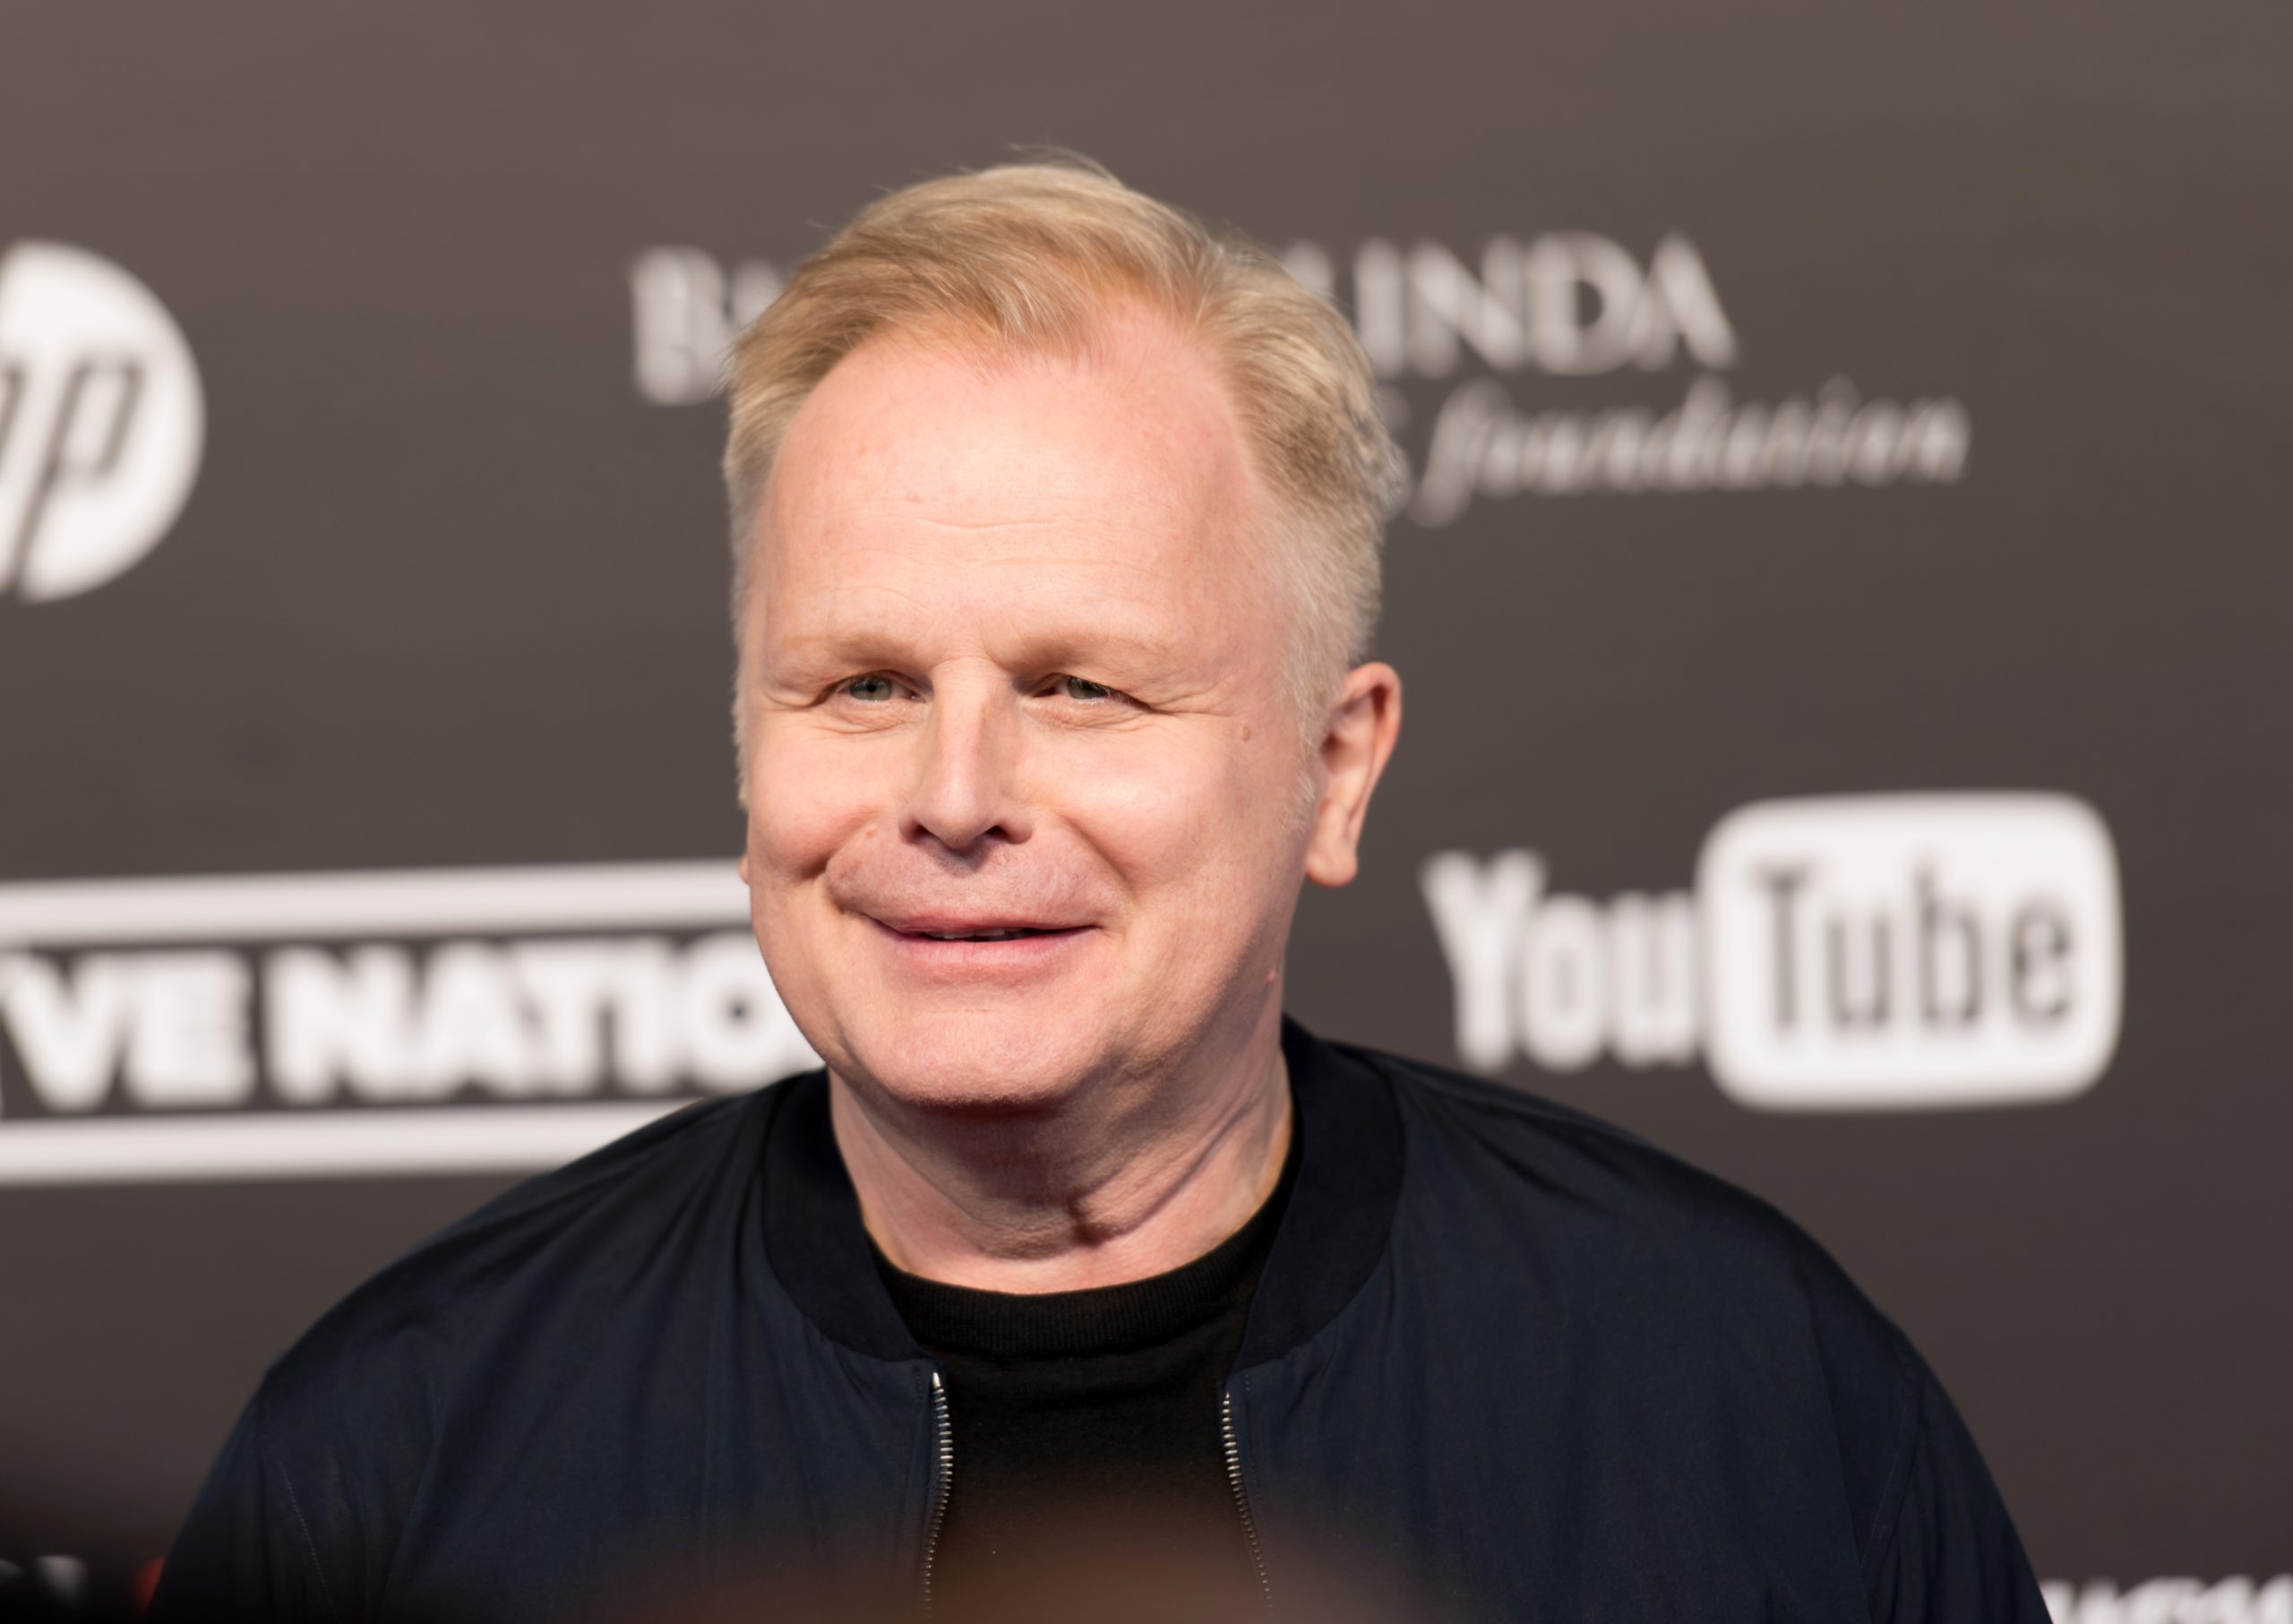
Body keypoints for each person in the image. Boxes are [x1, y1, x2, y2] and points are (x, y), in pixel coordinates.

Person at [150, 156, 2049, 1623]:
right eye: (862, 685)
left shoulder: (1744, 1393)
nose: (955, 797)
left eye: (1080, 688)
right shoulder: (402, 1452)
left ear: (1333, 767)